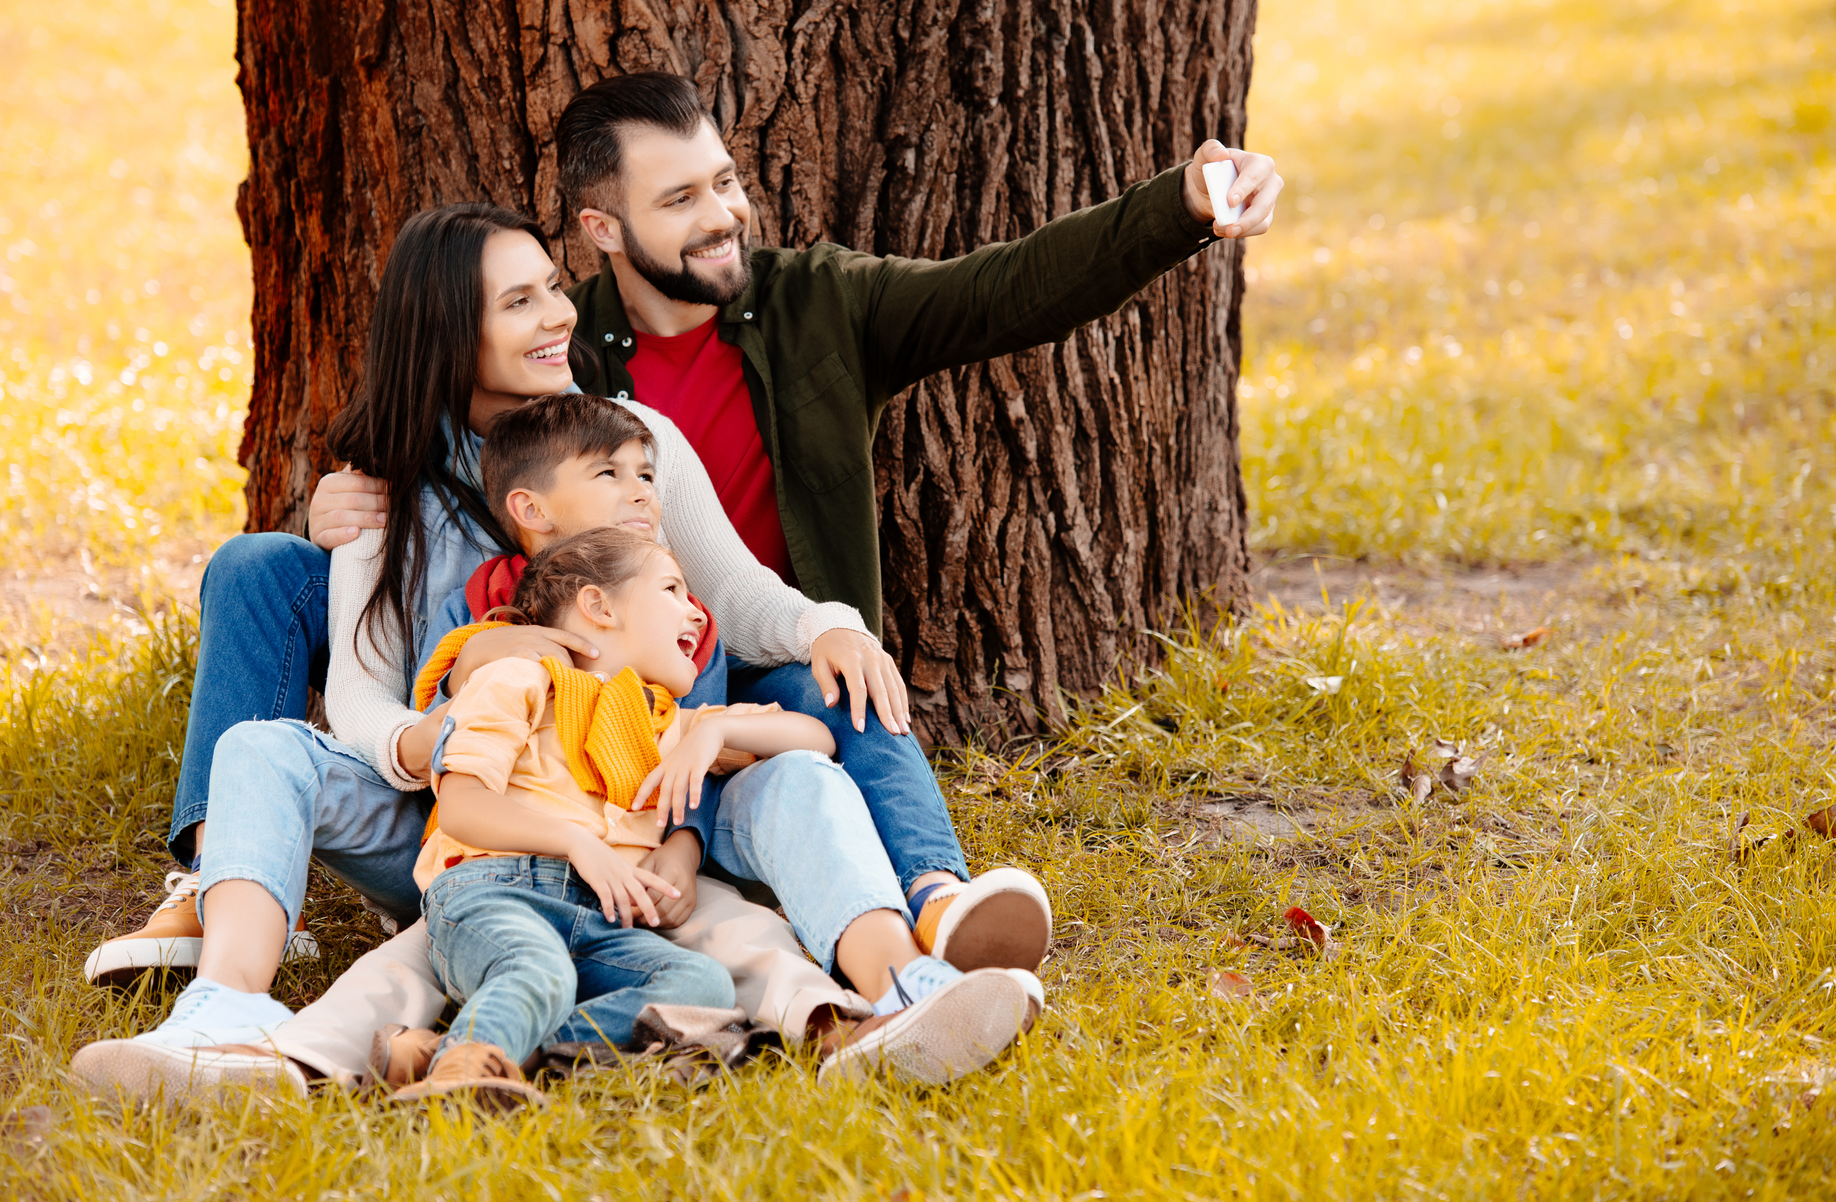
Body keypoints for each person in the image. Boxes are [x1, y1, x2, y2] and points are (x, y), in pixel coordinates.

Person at [314, 71, 1281, 947]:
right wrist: (340, 504)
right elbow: (458, 469)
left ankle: (937, 895)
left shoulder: (819, 303)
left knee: (844, 678)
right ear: (604, 229)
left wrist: (1181, 207)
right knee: (266, 573)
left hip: (753, 648)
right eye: (679, 200)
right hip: (622, 685)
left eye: (724, 182)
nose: (722, 216)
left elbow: (1006, 290)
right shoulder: (568, 366)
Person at [70, 204, 921, 1098]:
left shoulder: (625, 444)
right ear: (450, 334)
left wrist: (822, 626)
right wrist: (465, 731)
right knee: (264, 741)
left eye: (552, 286)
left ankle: (911, 947)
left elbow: (733, 599)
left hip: (620, 832)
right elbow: (361, 695)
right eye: (520, 302)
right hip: (464, 821)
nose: (559, 314)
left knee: (783, 789)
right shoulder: (395, 494)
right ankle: (224, 1001)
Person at [394, 527, 1039, 1104]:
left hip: (597, 913)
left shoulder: (665, 723)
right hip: (492, 889)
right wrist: (576, 844)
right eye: (672, 589)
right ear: (598, 606)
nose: (696, 613)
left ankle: (487, 1052)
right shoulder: (519, 679)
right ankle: (459, 1078)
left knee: (699, 987)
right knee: (539, 971)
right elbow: (463, 805)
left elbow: (815, 739)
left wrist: (716, 731)